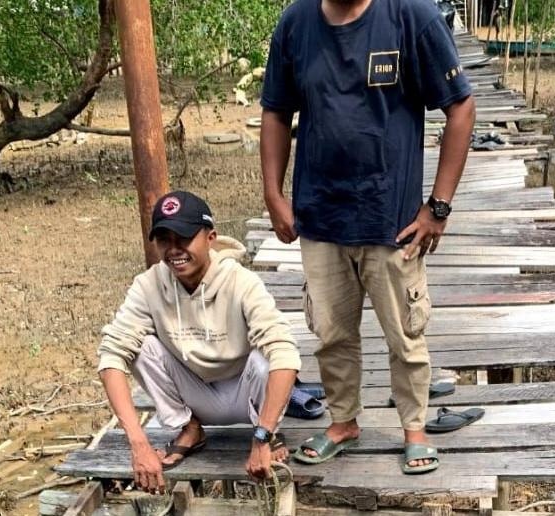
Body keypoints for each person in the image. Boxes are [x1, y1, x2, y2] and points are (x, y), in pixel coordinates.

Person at [260, 0, 475, 474]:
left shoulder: (412, 17)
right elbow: (276, 110)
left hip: (392, 220)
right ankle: (342, 422)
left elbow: (460, 106)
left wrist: (438, 207)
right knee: (331, 334)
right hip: (320, 218)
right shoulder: (297, 24)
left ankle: (414, 429)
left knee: (406, 335)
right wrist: (274, 194)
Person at [97, 191, 301, 493]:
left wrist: (261, 436)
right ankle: (189, 428)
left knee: (267, 358)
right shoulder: (149, 285)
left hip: (246, 393)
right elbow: (111, 357)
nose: (174, 250)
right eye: (164, 239)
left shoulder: (241, 282)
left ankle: (269, 433)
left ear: (210, 237)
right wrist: (139, 444)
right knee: (139, 348)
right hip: (196, 393)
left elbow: (286, 354)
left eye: (184, 238)